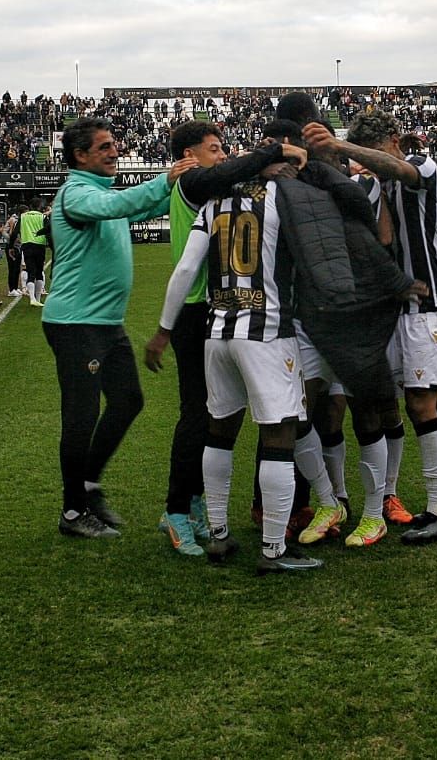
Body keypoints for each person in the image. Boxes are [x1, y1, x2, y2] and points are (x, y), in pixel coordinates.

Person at [149, 129, 324, 574]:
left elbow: (187, 269)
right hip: (267, 333)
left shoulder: (213, 204)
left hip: (217, 331)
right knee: (279, 432)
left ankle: (220, 536)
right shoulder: (283, 199)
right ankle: (273, 550)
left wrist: (163, 330)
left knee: (219, 432)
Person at [305, 111, 437, 544]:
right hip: (401, 306)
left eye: (374, 153)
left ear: (392, 141)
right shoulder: (384, 182)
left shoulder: (422, 166)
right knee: (420, 402)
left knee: (421, 404)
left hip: (429, 303)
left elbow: (402, 169)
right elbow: (387, 240)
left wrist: (341, 148)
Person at [43, 117, 196, 539]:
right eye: (105, 146)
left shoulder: (102, 192)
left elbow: (141, 206)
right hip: (76, 324)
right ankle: (73, 512)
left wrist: (183, 189)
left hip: (105, 325)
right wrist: (165, 179)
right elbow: (118, 207)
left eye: (115, 145)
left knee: (128, 401)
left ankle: (88, 485)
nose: (115, 151)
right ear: (80, 155)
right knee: (81, 416)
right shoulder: (77, 194)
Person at [18, 202, 48, 305]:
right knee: (39, 272)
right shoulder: (42, 216)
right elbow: (48, 230)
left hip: (27, 245)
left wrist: (12, 245)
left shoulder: (23, 216)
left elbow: (15, 232)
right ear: (39, 207)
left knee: (30, 271)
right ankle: (38, 299)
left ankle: (32, 298)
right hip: (40, 245)